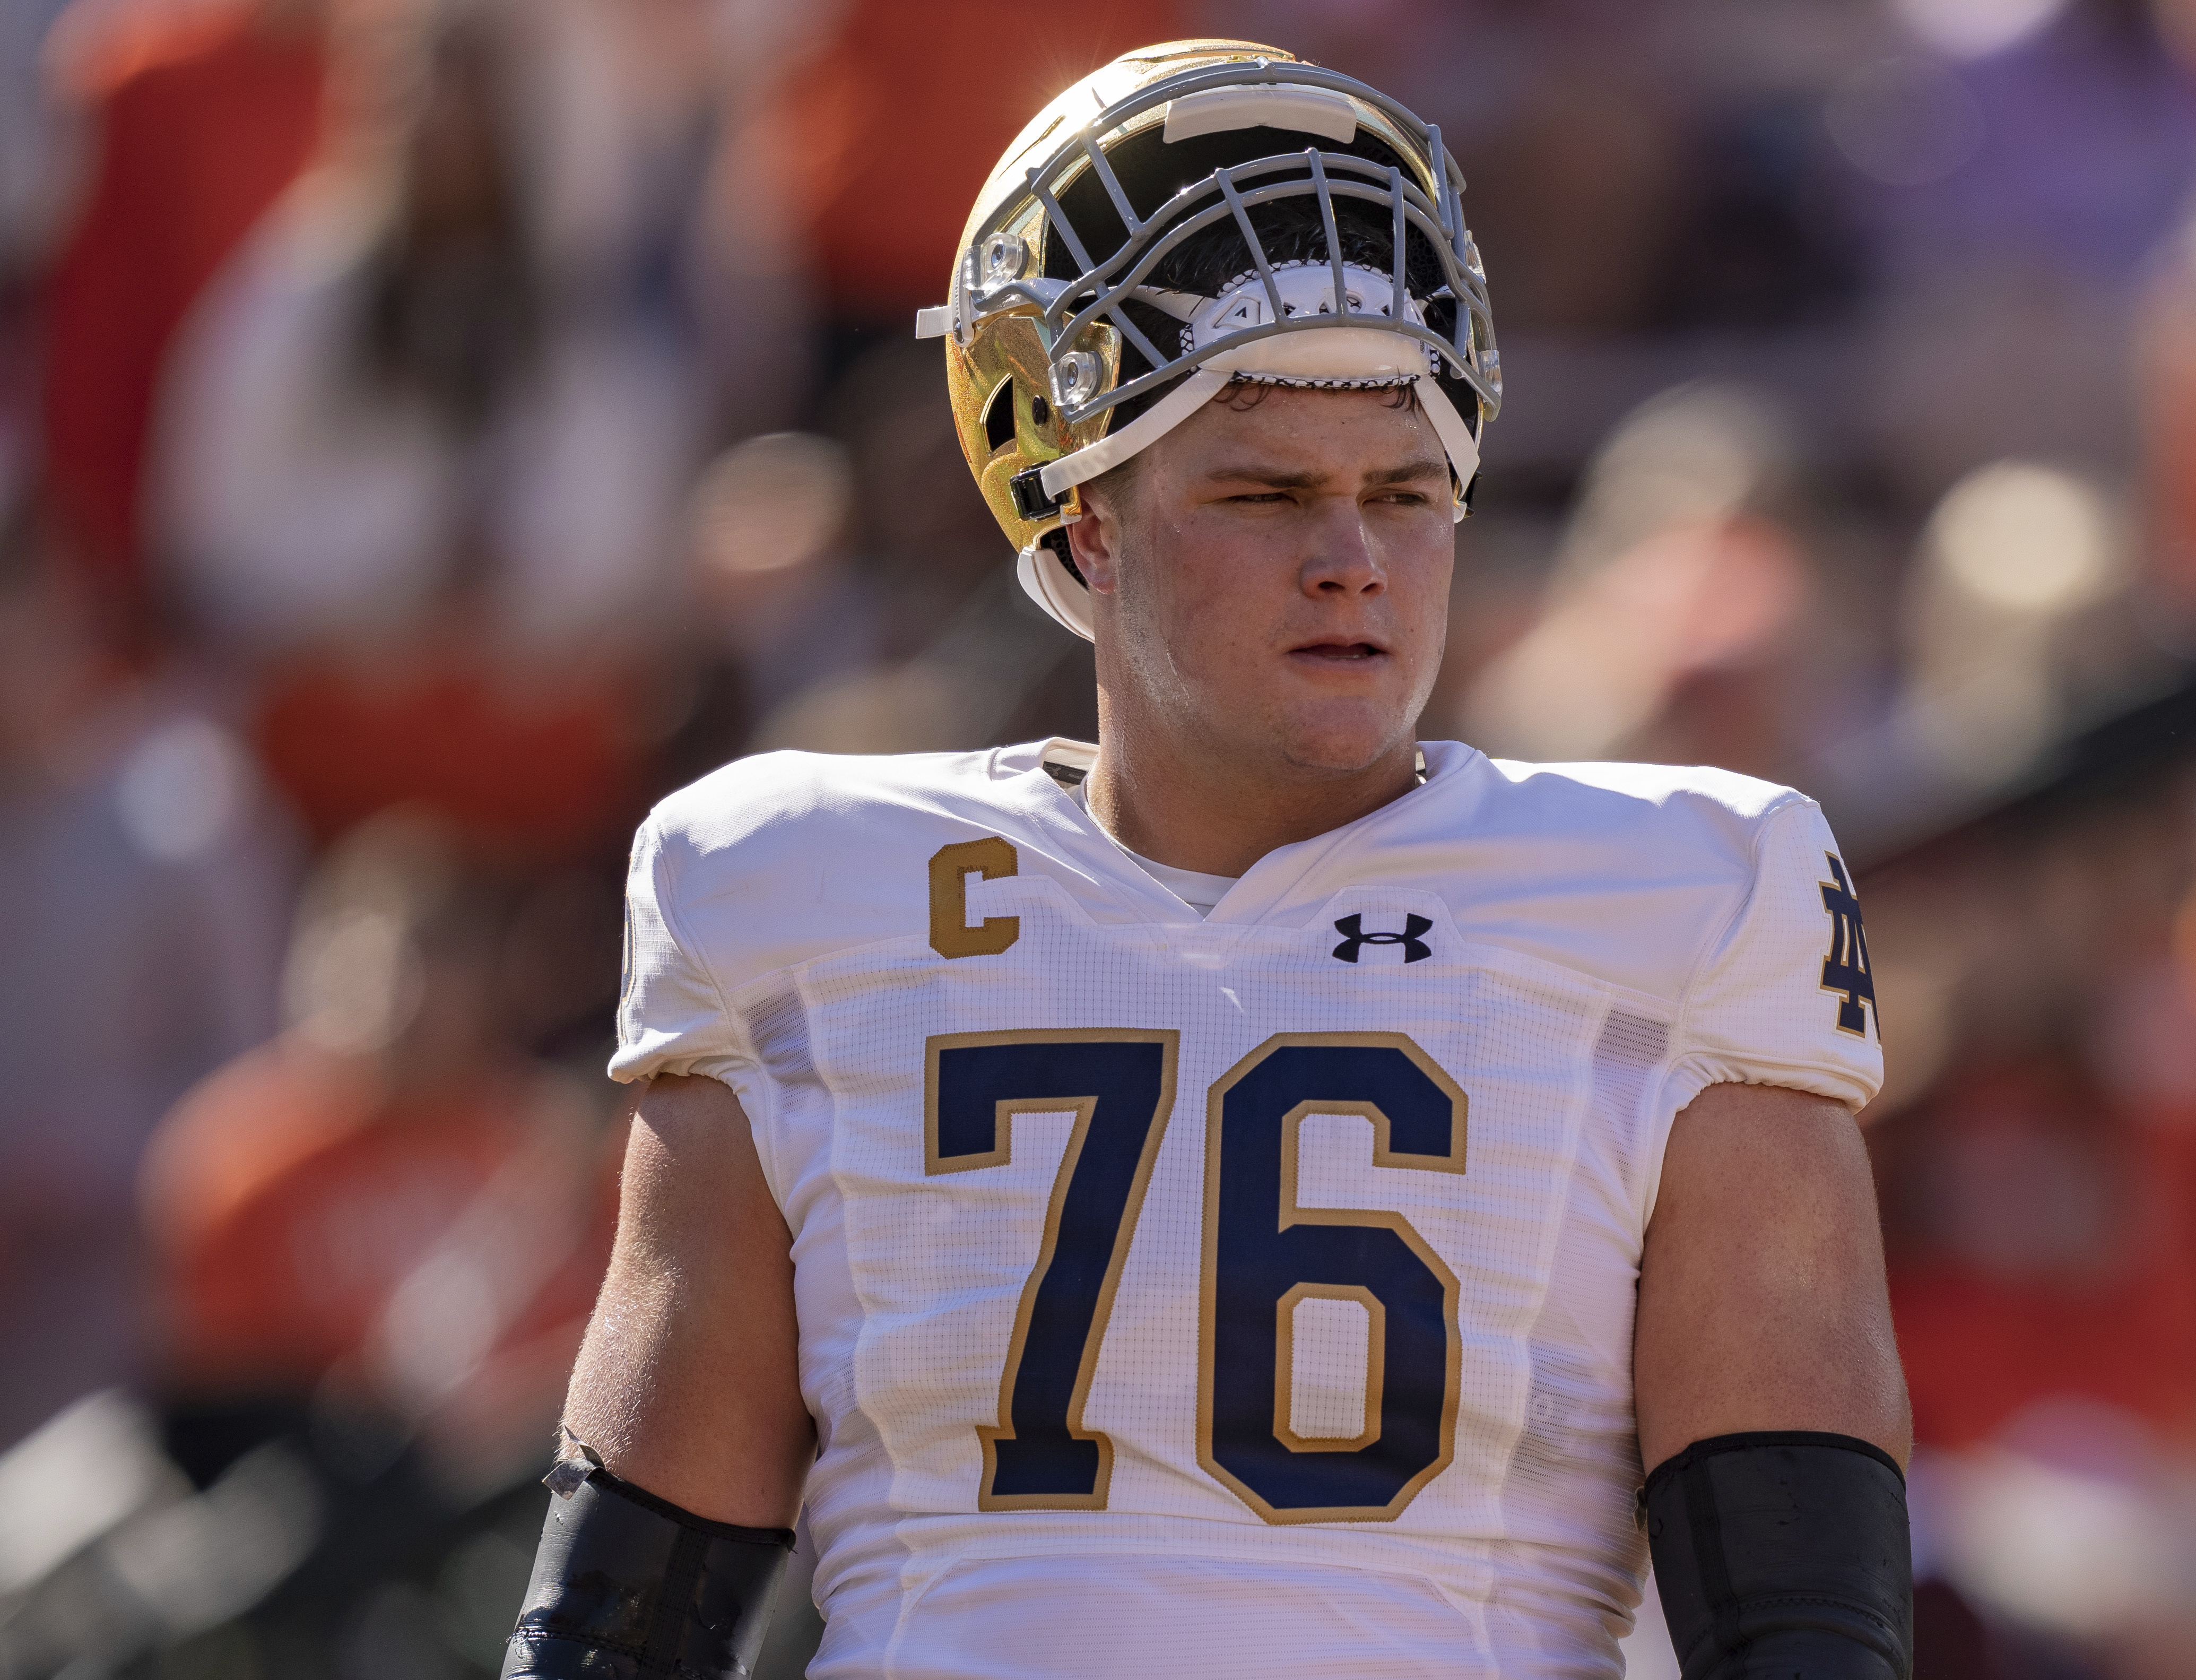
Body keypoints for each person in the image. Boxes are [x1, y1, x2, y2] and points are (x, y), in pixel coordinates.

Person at [503, 41, 1912, 1680]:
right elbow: (617, 1626)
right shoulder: (800, 892)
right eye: (1262, 492)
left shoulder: (1690, 895)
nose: (1352, 561)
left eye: (1407, 491)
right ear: (1084, 525)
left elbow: (1806, 1635)